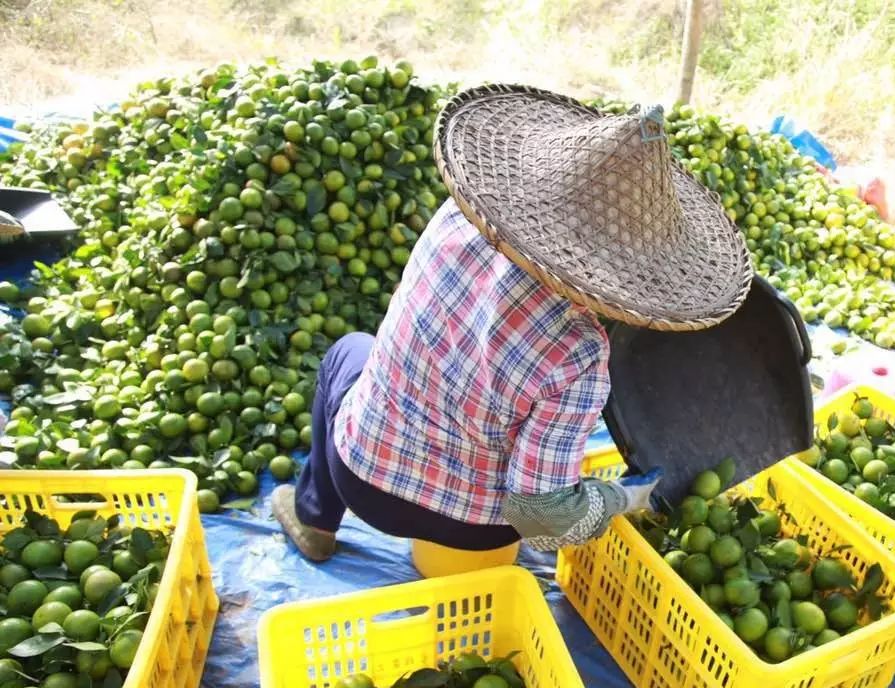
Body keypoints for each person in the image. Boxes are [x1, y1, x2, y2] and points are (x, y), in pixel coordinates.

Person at [272, 84, 753, 565]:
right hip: (475, 530)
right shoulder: (579, 356)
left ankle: (314, 517)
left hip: (361, 480)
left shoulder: (453, 221)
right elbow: (542, 521)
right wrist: (621, 499)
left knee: (349, 350)